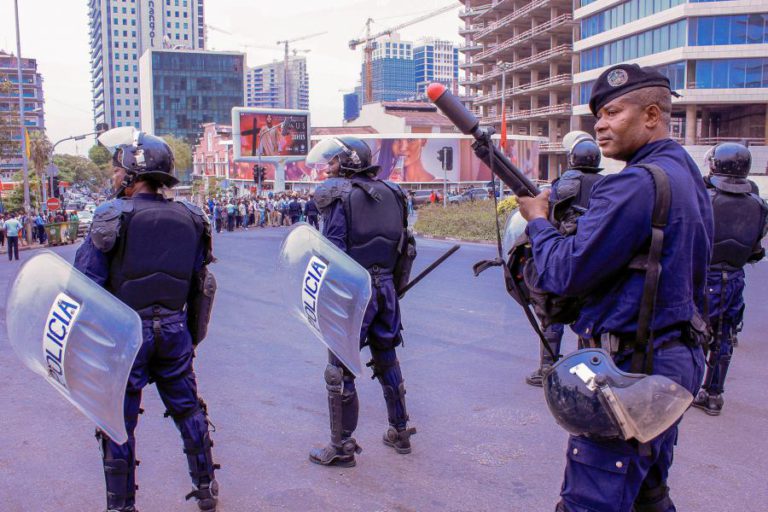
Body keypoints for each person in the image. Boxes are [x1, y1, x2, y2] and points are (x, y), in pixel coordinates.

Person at [517, 64, 711, 511]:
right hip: (673, 361)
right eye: (597, 117)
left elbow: (564, 273)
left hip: (630, 367)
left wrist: (539, 223)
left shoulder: (633, 184)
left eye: (612, 112)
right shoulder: (685, 173)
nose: (600, 126)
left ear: (652, 115)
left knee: (590, 502)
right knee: (648, 492)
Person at [73, 129, 219, 512]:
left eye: (117, 170)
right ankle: (206, 488)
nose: (114, 176)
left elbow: (86, 286)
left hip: (124, 336)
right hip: (173, 330)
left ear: (133, 174)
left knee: (117, 422)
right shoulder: (193, 217)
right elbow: (199, 285)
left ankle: (121, 506)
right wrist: (186, 337)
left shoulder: (111, 216)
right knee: (189, 409)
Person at [306, 136, 416, 467]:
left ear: (348, 162)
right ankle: (400, 430)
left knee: (339, 369)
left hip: (353, 292)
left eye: (333, 160)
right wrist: (393, 287)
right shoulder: (394, 193)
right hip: (385, 291)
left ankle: (342, 446)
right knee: (387, 358)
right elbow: (405, 245)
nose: (328, 167)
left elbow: (331, 252)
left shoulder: (338, 195)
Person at [692, 143, 767, 416]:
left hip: (703, 277)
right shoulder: (758, 205)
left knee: (695, 334)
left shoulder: (704, 199)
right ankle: (714, 395)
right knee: (725, 336)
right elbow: (756, 251)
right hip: (734, 278)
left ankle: (688, 389)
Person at [524, 133, 605, 387]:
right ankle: (588, 374)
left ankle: (547, 367)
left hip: (563, 255)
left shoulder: (561, 184)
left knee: (553, 312)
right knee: (588, 319)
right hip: (595, 259)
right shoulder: (607, 184)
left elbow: (548, 219)